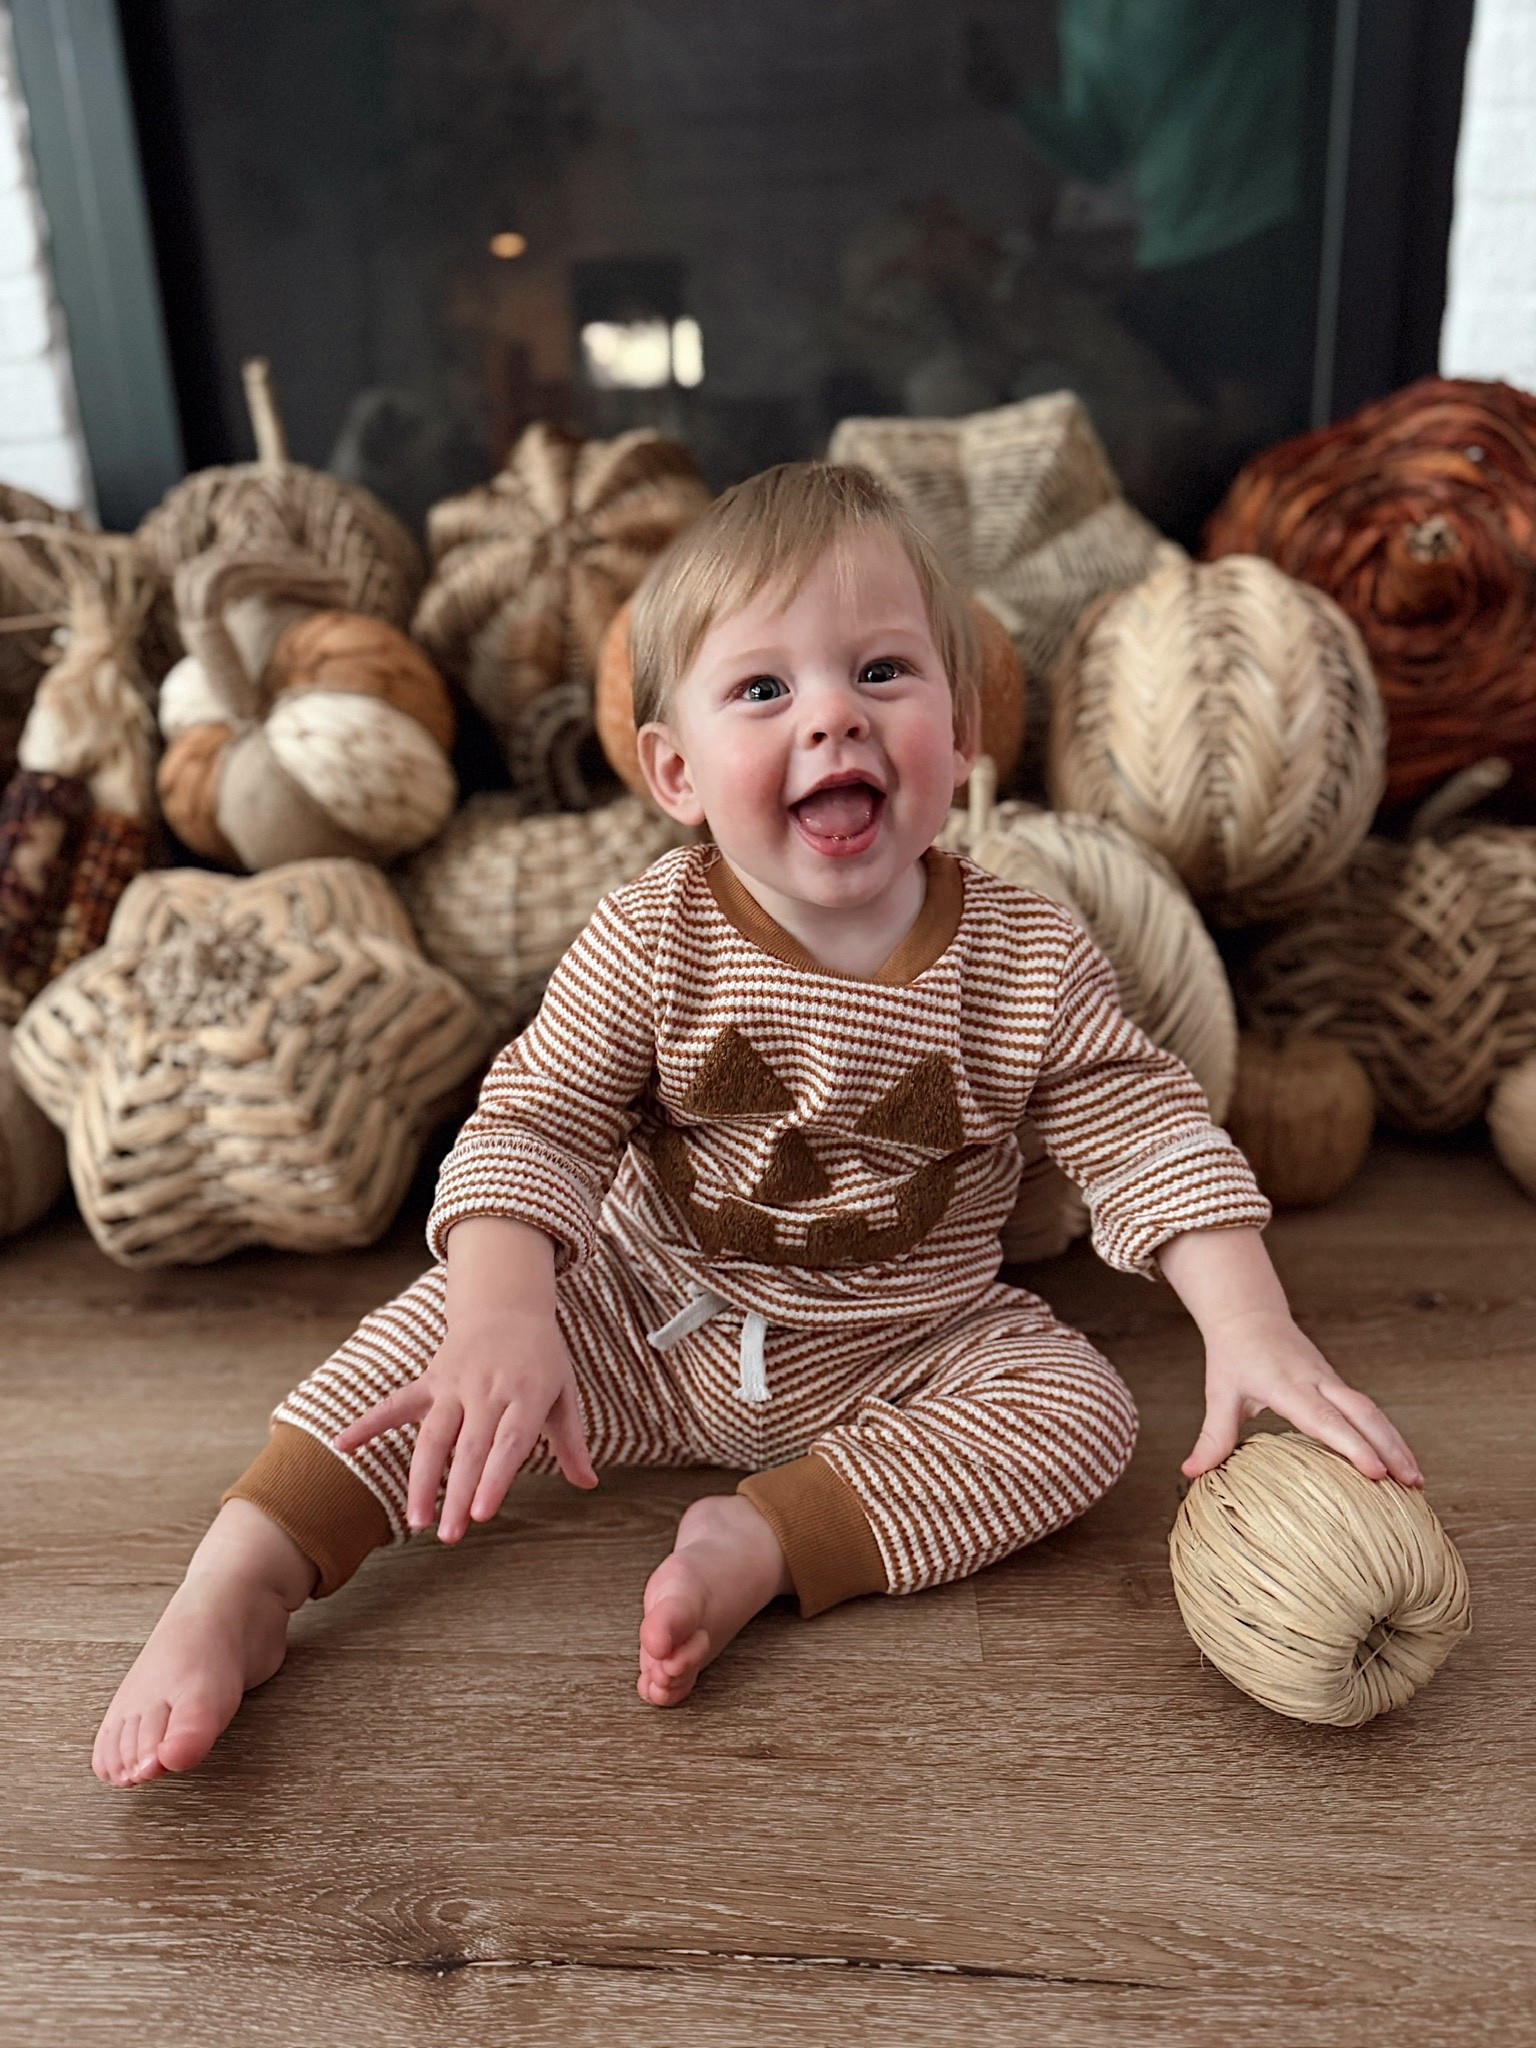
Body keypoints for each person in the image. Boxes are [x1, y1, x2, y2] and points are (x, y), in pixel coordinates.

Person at [91, 462, 1423, 1788]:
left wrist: (1250, 1323)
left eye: (883, 673)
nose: (834, 715)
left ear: (960, 738)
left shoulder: (1024, 955)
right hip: (638, 1310)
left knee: (1079, 1413)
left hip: (910, 1340)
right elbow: (539, 1118)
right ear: (676, 769)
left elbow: (1141, 1127)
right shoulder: (652, 934)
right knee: (418, 1355)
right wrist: (504, 1313)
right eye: (765, 690)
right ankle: (244, 1577)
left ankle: (769, 1540)